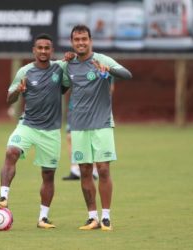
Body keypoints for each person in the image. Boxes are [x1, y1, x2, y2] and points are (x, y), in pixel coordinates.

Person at [0, 33, 69, 229]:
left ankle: (43, 217)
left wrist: (69, 59)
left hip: (51, 131)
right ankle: (3, 196)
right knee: (11, 151)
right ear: (33, 50)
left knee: (48, 175)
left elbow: (66, 85)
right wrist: (18, 90)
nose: (43, 51)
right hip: (27, 125)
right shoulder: (24, 71)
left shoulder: (60, 68)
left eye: (47, 48)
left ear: (51, 51)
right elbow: (9, 99)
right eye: (39, 48)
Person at [66, 25, 132, 230]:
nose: (81, 43)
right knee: (85, 171)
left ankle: (106, 217)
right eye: (77, 40)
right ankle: (92, 217)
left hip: (102, 123)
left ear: (90, 40)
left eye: (84, 39)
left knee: (103, 169)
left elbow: (127, 74)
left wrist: (109, 70)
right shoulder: (67, 65)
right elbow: (57, 85)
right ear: (72, 42)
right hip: (78, 125)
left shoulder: (102, 60)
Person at [62, 83, 115, 181]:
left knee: (91, 140)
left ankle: (94, 170)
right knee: (70, 137)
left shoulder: (103, 69)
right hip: (76, 108)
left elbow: (110, 88)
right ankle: (75, 169)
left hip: (92, 110)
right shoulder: (73, 68)